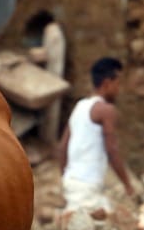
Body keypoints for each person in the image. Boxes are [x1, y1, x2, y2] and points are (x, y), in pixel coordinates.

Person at [55, 57, 137, 219]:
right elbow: (112, 150)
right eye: (118, 83)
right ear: (107, 83)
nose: (119, 89)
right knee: (88, 229)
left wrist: (66, 176)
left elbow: (62, 147)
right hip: (87, 185)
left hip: (72, 182)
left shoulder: (79, 107)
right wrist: (127, 184)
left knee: (104, 217)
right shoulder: (106, 110)